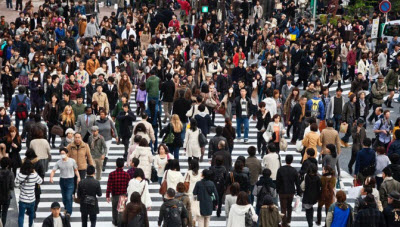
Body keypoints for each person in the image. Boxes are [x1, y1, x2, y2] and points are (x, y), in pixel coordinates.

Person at [50, 148, 81, 217]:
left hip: (70, 180)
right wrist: (51, 177)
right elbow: (53, 170)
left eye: (63, 153)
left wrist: (78, 177)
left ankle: (68, 212)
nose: (62, 155)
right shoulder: (59, 162)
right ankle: (66, 208)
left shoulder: (72, 161)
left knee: (68, 196)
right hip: (62, 180)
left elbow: (76, 170)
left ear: (67, 154)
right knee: (64, 197)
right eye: (61, 153)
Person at [15, 160, 43, 227]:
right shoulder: (34, 175)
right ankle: (30, 225)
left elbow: (16, 184)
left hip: (22, 199)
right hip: (31, 199)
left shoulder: (20, 175)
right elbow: (40, 181)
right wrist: (35, 172)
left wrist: (20, 186)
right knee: (31, 215)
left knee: (21, 216)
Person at [276, 155, 302, 227]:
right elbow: (297, 182)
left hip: (282, 191)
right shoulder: (294, 170)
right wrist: (299, 192)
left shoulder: (280, 169)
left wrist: (277, 190)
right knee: (289, 206)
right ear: (292, 160)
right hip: (291, 191)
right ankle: (288, 219)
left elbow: (278, 181)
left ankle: (284, 223)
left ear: (285, 159)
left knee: (283, 207)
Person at [106, 158, 131, 226]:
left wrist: (107, 195)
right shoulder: (126, 175)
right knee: (121, 210)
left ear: (116, 165)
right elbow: (128, 186)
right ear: (123, 165)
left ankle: (115, 221)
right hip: (123, 195)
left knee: (114, 209)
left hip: (114, 195)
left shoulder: (111, 174)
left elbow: (109, 186)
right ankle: (121, 223)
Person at [0, 158, 14, 227]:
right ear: (8, 165)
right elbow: (12, 187)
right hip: (6, 196)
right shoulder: (10, 174)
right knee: (4, 213)